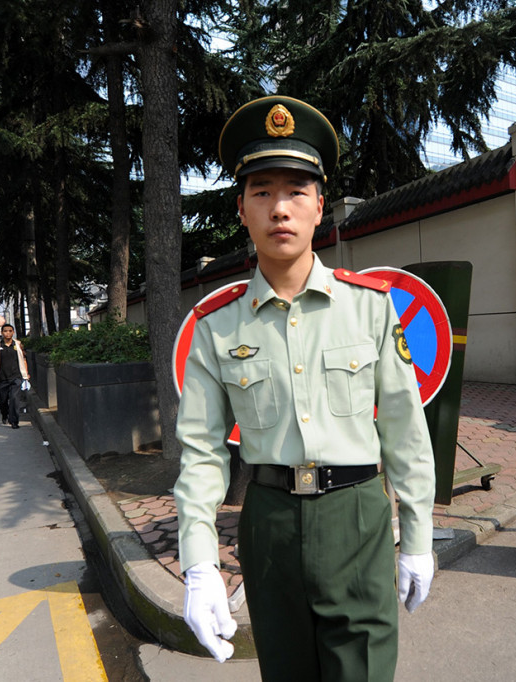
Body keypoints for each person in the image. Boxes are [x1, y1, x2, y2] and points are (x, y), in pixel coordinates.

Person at [174, 95, 436, 680]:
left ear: (321, 206)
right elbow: (201, 454)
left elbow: (403, 428)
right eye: (262, 191)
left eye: (296, 191)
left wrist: (417, 533)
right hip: (268, 526)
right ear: (241, 208)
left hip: (358, 519)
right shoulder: (217, 328)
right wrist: (198, 564)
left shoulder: (370, 309)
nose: (280, 209)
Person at [0, 323, 29, 429]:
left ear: (13, 332)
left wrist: (26, 373)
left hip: (16, 377)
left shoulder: (18, 345)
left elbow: (24, 359)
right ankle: (4, 414)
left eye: (10, 331)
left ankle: (14, 421)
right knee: (3, 400)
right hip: (1, 378)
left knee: (15, 399)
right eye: (5, 331)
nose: (8, 333)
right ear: (2, 333)